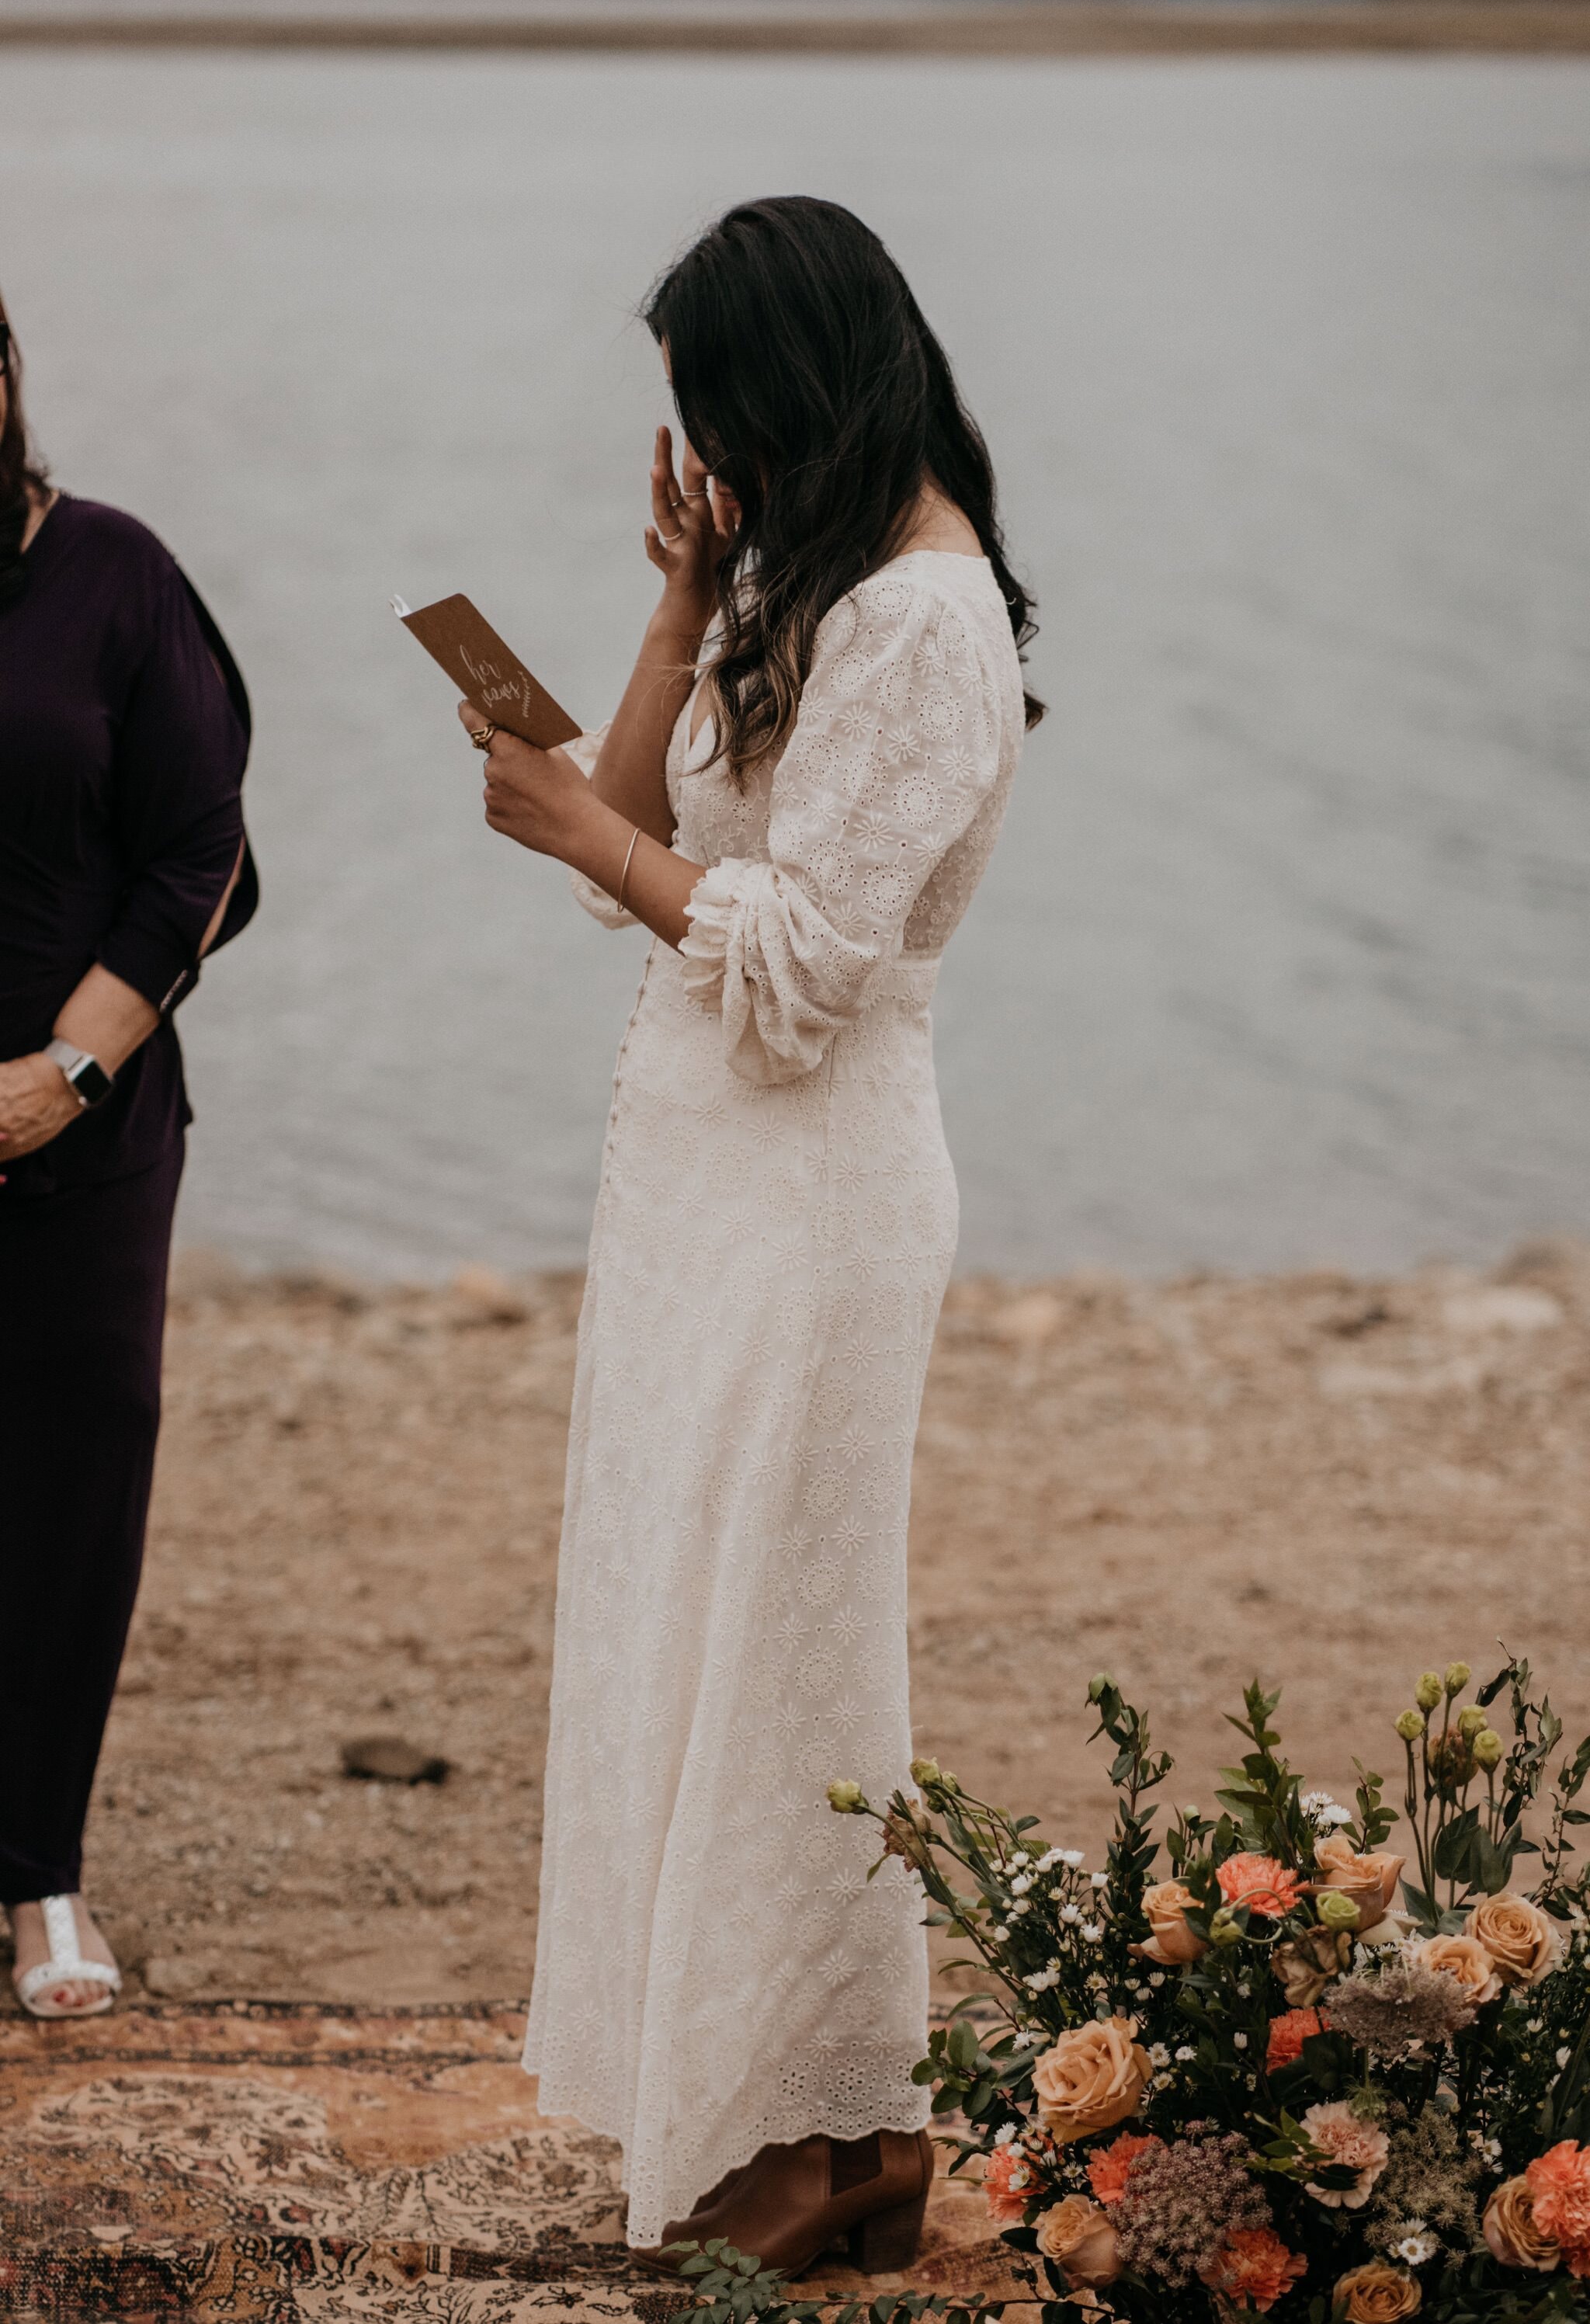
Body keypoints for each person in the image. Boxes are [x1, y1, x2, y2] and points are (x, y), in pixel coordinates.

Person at [464, 197, 1038, 2270]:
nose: (709, 449)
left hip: (818, 1190)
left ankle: (844, 2126)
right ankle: (780, 2109)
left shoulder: (927, 626)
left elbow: (795, 967)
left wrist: (593, 841)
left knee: (796, 1655)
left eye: (720, 418)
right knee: (689, 1625)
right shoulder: (811, 587)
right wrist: (680, 603)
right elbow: (642, 826)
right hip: (703, 1181)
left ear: (798, 386)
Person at [0, 290, 257, 2017]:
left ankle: (39, 1887)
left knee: (63, 1502)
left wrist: (57, 1078)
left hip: (76, 1139)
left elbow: (204, 857)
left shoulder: (116, 577)